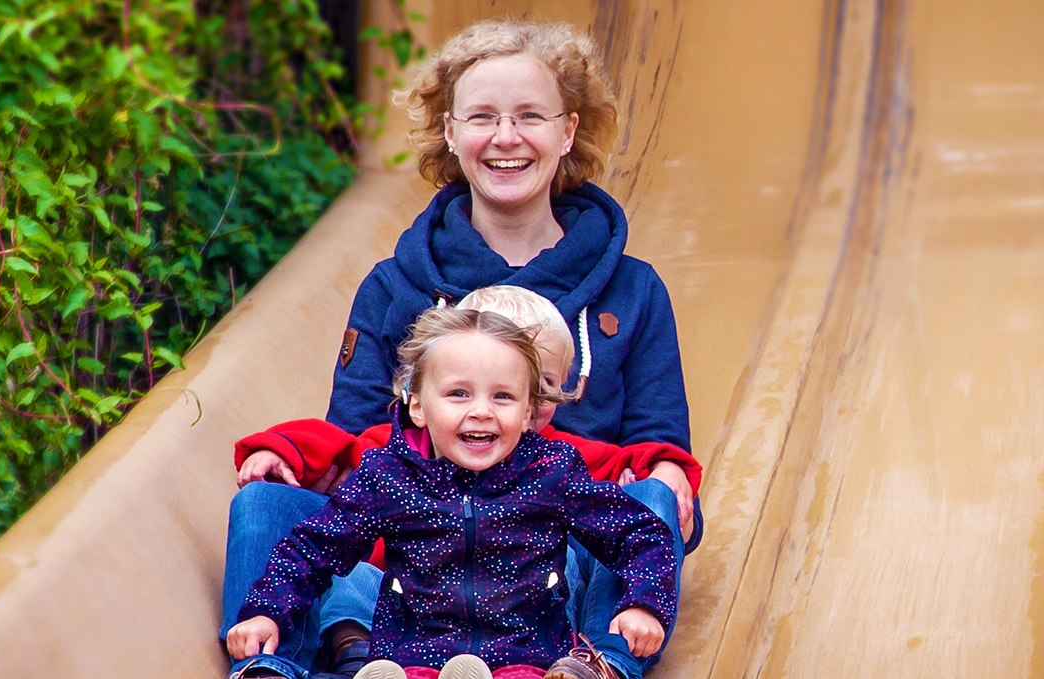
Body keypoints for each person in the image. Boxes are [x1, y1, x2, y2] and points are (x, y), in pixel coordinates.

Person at [220, 19, 698, 679]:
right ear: (450, 132)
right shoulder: (395, 287)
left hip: (561, 548)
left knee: (651, 499)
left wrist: (668, 476)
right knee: (263, 505)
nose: (506, 138)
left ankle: (597, 665)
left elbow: (658, 446)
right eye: (482, 117)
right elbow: (356, 441)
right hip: (417, 551)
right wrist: (298, 456)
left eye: (530, 115)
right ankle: (280, 666)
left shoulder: (633, 289)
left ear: (568, 130)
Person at [226, 308, 678, 679]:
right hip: (413, 654)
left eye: (502, 397)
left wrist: (644, 602)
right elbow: (314, 548)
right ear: (418, 406)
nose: (481, 411)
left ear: (527, 413)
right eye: (459, 394)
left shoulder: (551, 473)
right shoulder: (391, 476)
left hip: (527, 654)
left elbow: (639, 533)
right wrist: (267, 611)